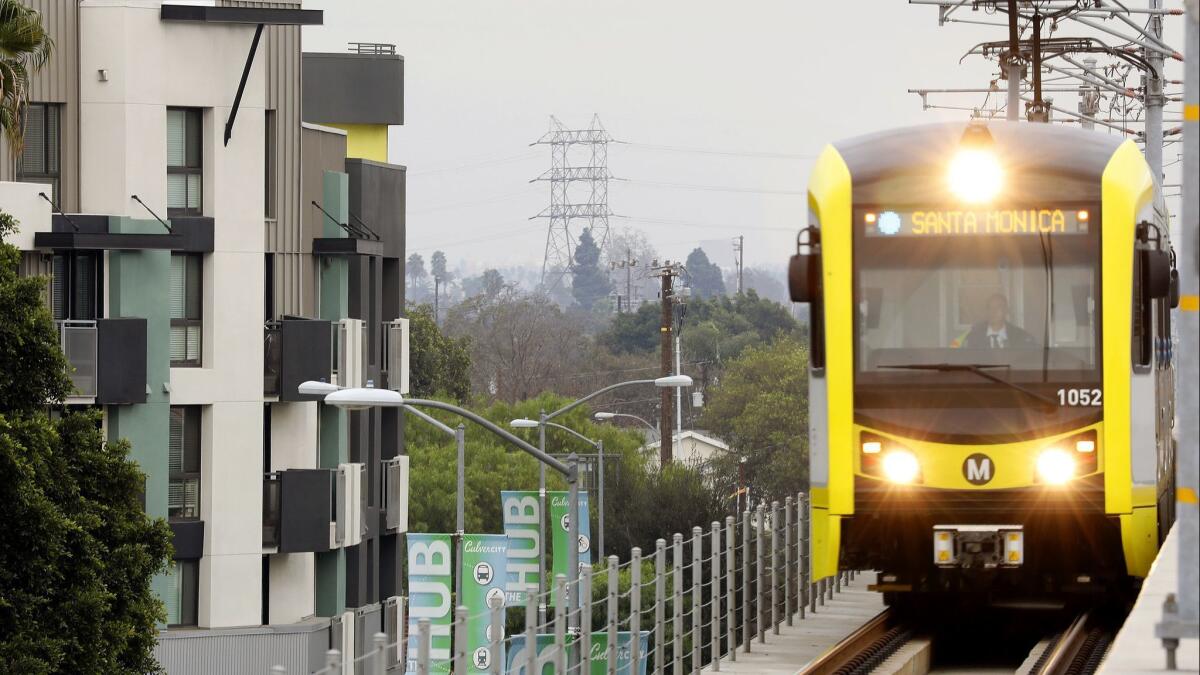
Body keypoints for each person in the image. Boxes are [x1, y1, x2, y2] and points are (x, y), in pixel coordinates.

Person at [961, 293, 1037, 349]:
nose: (993, 311)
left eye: (998, 307)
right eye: (990, 308)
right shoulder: (974, 336)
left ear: (1006, 310)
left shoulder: (1019, 335)